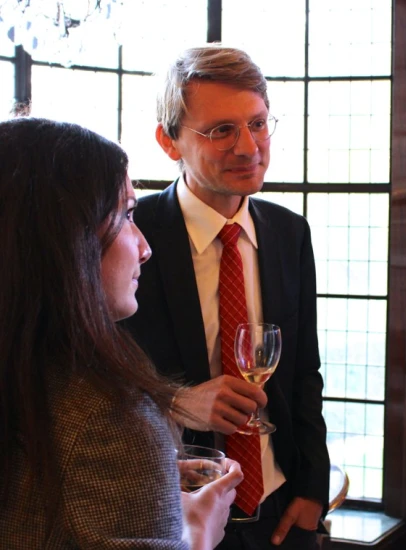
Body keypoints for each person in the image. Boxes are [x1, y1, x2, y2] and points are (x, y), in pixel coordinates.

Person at [0, 117, 243, 549]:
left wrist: (152, 476)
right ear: (66, 239)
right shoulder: (108, 416)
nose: (144, 247)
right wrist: (197, 533)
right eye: (127, 215)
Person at [122, 45, 330, 549]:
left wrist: (311, 491)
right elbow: (84, 374)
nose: (248, 146)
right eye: (221, 131)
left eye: (258, 124)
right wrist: (177, 401)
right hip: (171, 507)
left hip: (279, 507)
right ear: (169, 142)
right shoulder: (129, 234)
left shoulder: (289, 232)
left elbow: (304, 372)